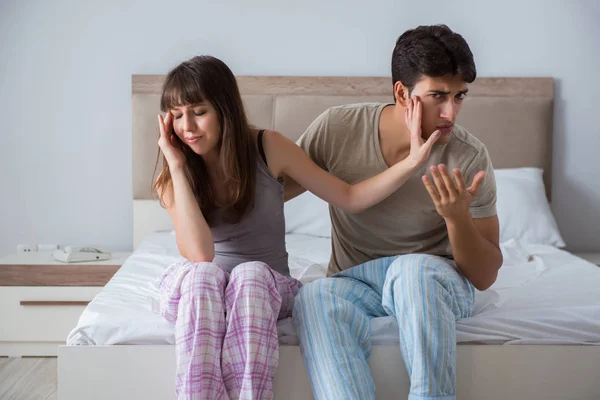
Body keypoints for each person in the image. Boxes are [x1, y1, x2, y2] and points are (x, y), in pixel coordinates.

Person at [152, 55, 443, 400]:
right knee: (204, 276)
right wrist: (176, 164)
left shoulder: (268, 147)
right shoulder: (172, 177)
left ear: (224, 109)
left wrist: (411, 162)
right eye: (178, 115)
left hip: (263, 289)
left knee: (251, 275)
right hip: (201, 291)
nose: (187, 127)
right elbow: (201, 255)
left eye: (199, 112)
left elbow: (348, 196)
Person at [288, 24, 503, 400]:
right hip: (354, 280)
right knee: (313, 297)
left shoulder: (468, 156)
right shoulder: (338, 129)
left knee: (412, 268)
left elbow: (483, 276)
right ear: (403, 93)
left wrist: (456, 218)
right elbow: (269, 192)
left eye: (460, 96)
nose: (451, 112)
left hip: (434, 279)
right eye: (438, 96)